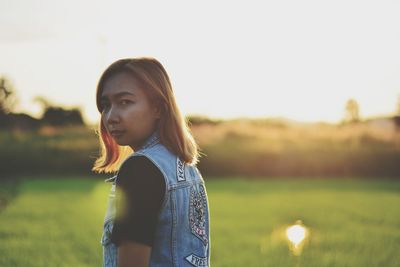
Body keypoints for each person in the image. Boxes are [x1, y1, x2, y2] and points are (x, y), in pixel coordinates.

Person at [92, 57, 211, 267]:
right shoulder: (186, 168)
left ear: (158, 108)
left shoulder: (140, 169)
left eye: (125, 102)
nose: (110, 116)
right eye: (105, 105)